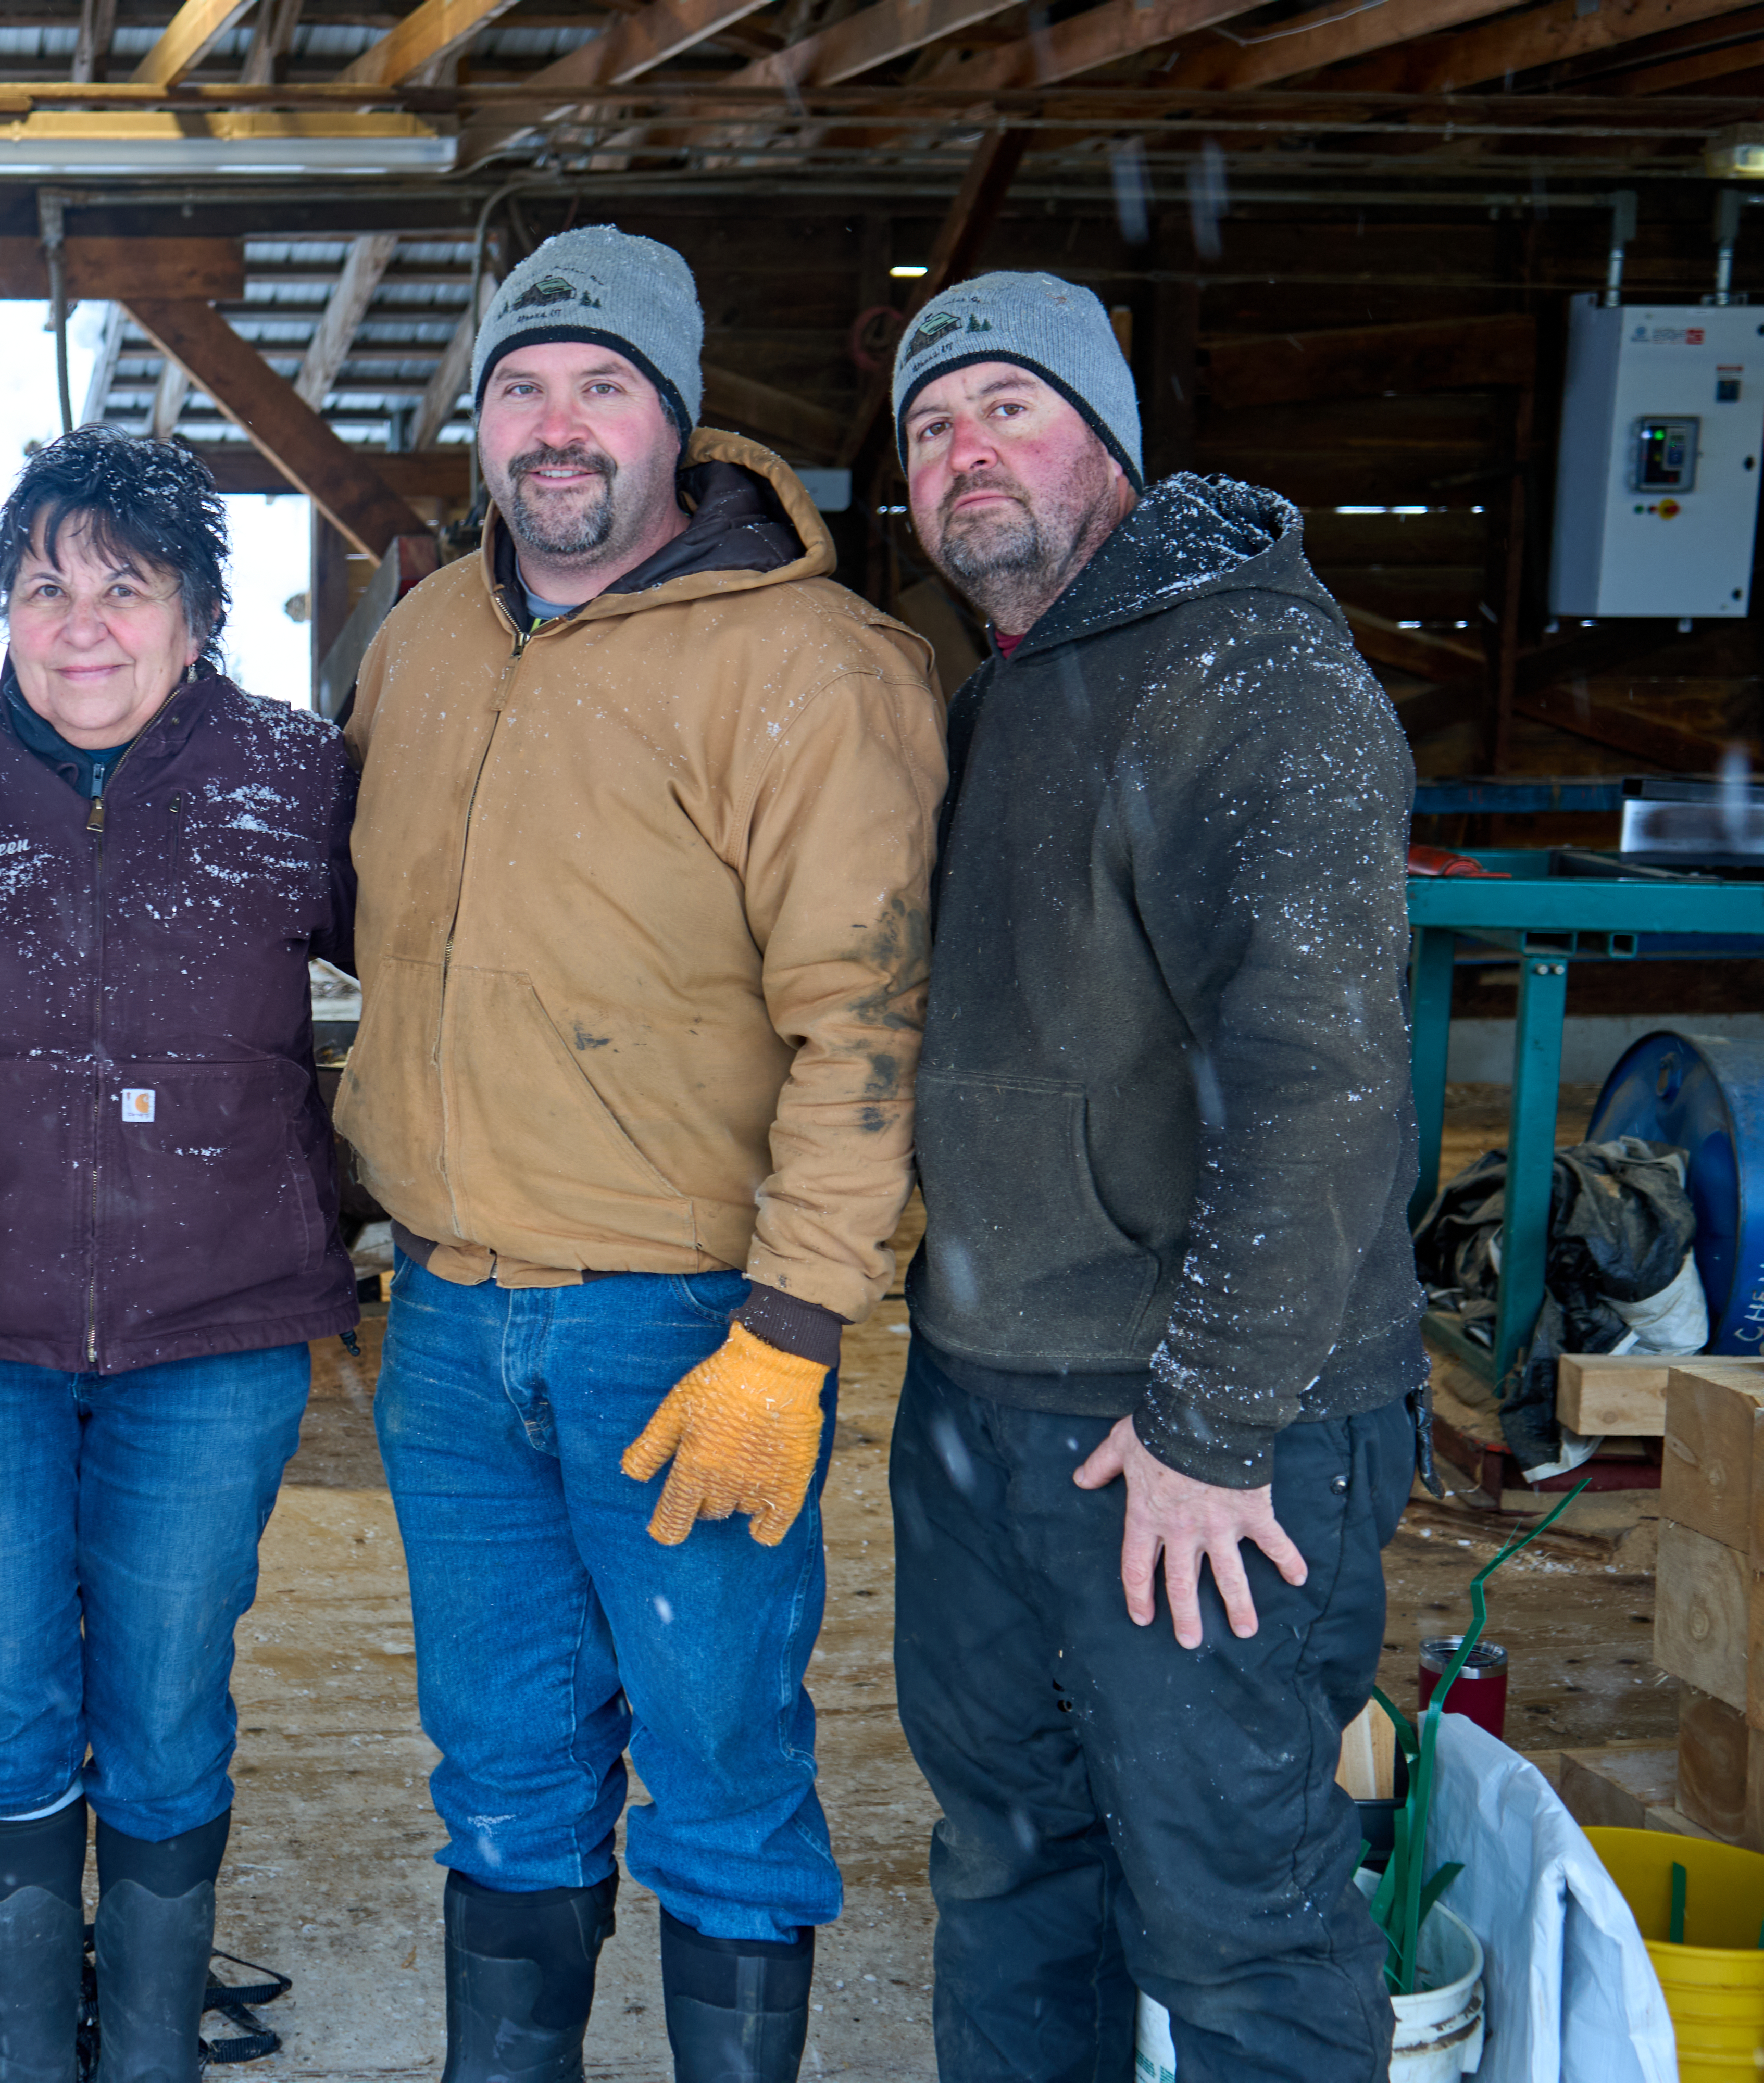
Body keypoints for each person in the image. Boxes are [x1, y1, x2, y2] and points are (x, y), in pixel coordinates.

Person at [341, 225, 945, 2083]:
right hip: (448, 1317)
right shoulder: (429, 634)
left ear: (677, 422)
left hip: (688, 1326)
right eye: (521, 386)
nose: (557, 426)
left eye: (603, 387)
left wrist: (794, 1327)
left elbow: (873, 1024)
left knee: (722, 1780)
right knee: (504, 1779)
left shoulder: (816, 668)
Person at [883, 271, 1424, 2082]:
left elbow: (1323, 1073)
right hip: (991, 1401)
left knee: (1237, 1921)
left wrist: (1211, 1425)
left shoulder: (1249, 671)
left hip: (1185, 1433)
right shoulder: (1006, 696)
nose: (968, 457)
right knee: (1016, 1878)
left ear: (1108, 441)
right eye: (933, 430)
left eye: (1010, 414)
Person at [0, 425, 358, 2083]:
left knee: (161, 1710)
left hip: (213, 1338)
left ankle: (142, 2052)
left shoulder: (298, 779)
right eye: (42, 588)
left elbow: (462, 972)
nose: (81, 623)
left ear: (199, 617)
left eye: (124, 589)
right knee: (0, 1704)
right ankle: (20, 2055)